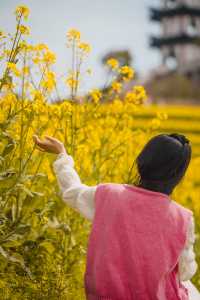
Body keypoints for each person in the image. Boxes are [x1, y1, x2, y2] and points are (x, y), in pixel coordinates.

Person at [32, 133, 200, 300]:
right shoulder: (183, 218)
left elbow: (72, 192)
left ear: (142, 161)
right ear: (178, 176)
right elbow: (185, 272)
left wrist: (62, 155)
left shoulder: (109, 195)